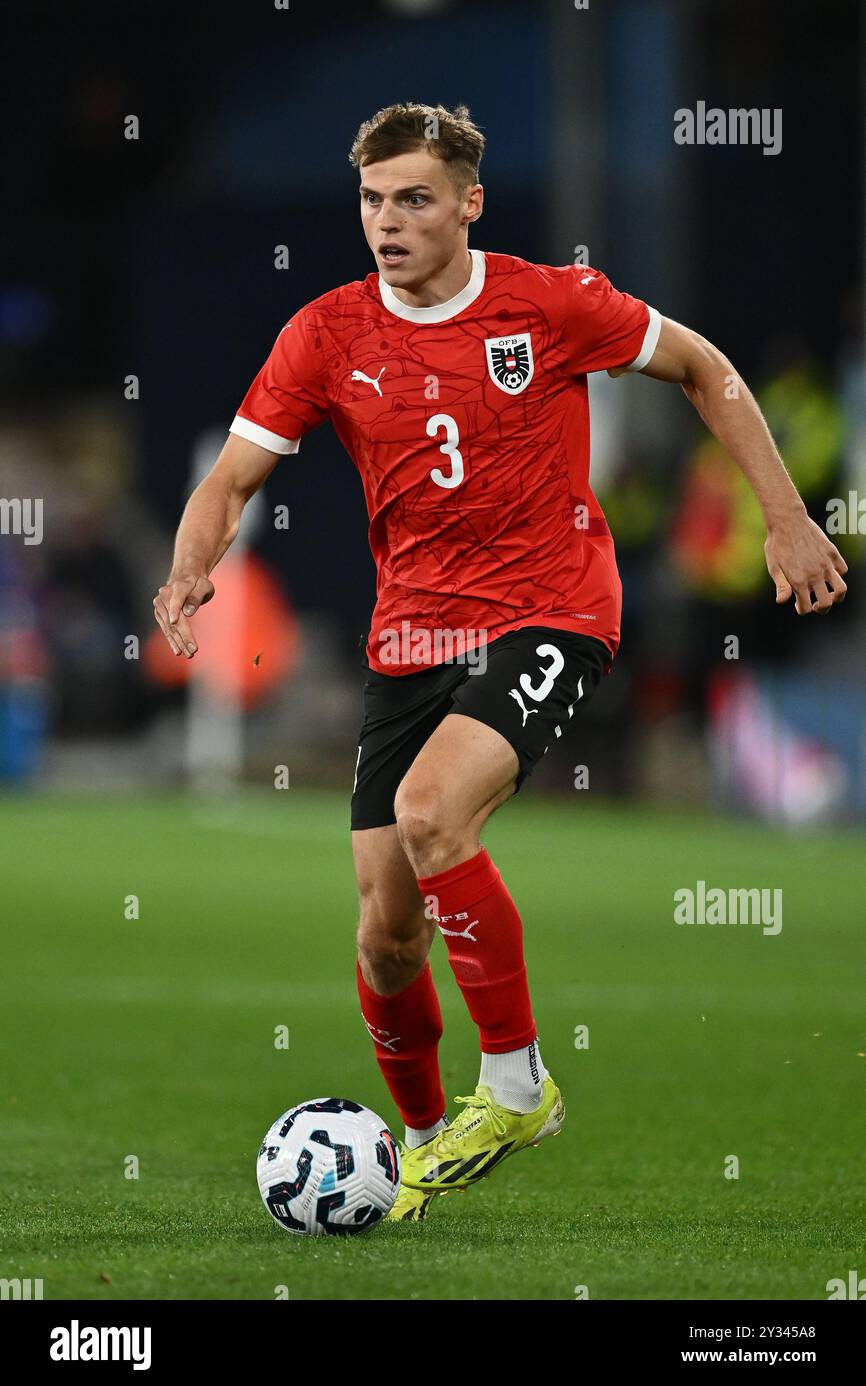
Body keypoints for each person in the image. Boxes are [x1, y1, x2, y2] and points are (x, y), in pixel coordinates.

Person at [153, 102, 848, 1222]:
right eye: (373, 201)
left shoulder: (552, 302)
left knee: (433, 815)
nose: (388, 222)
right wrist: (191, 569)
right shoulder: (324, 334)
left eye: (414, 199)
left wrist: (782, 518)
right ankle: (417, 1152)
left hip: (551, 609)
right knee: (385, 934)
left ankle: (516, 1082)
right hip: (408, 638)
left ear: (468, 203)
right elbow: (231, 478)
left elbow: (704, 369)